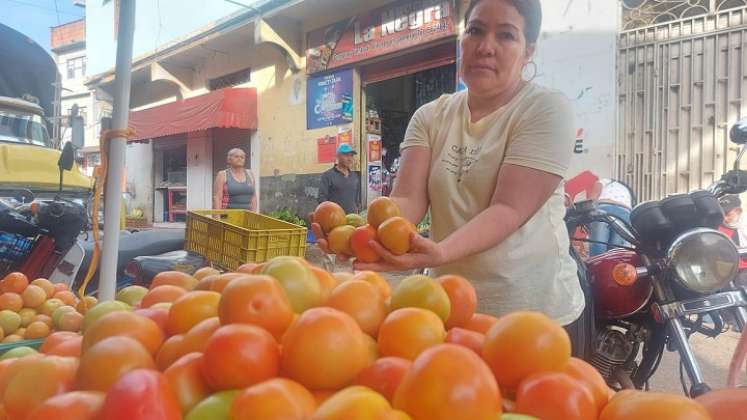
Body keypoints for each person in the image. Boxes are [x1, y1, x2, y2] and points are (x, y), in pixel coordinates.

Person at [315, 0, 587, 350]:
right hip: (449, 309)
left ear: (528, 50)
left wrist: (440, 252)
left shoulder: (544, 110)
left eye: (505, 35)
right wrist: (365, 239)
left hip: (534, 317)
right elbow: (407, 201)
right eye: (475, 30)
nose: (485, 46)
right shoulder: (431, 116)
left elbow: (509, 209)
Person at [588, 179, 634, 257]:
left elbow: (592, 200)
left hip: (604, 209)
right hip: (625, 213)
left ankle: (597, 268)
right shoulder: (626, 189)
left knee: (599, 245)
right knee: (617, 251)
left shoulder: (603, 180)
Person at [318, 143, 361, 214]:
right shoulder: (327, 176)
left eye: (351, 156)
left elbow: (356, 197)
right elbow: (322, 199)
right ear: (338, 156)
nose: (350, 159)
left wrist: (357, 209)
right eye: (346, 155)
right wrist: (330, 213)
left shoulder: (354, 176)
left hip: (352, 218)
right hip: (335, 218)